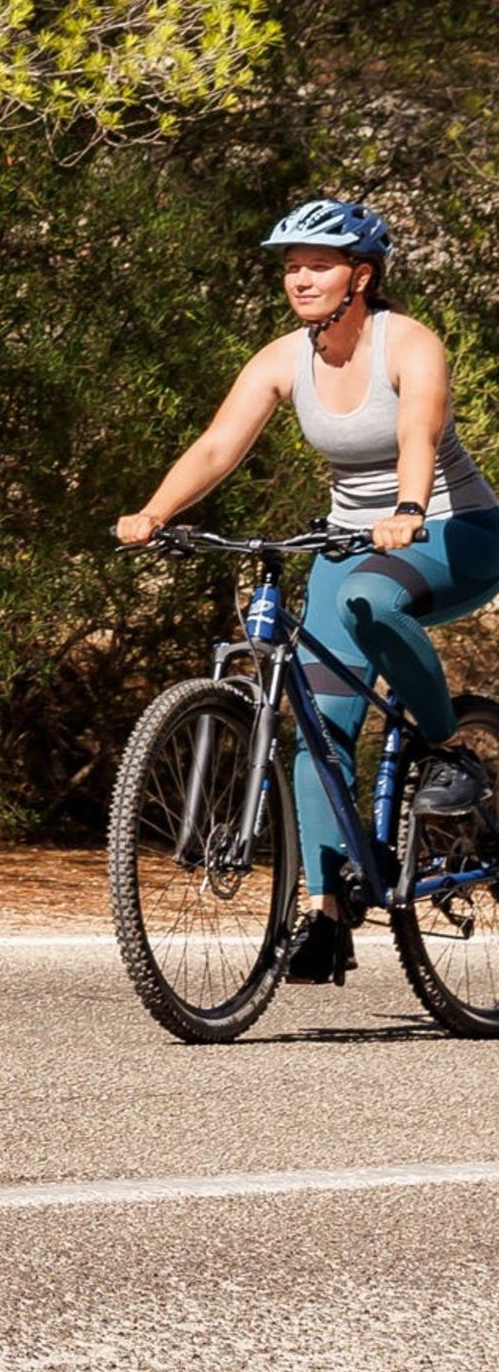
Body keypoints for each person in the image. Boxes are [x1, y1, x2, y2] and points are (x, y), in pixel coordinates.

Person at [116, 198, 495, 984]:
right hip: (350, 543)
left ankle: (446, 748)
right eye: (290, 267)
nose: (299, 279)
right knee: (316, 730)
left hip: (453, 532)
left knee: (368, 600)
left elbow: (419, 432)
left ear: (361, 275)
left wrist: (408, 508)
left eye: (316, 265)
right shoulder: (284, 358)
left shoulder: (409, 342)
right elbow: (220, 442)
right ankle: (326, 916)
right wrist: (156, 511)